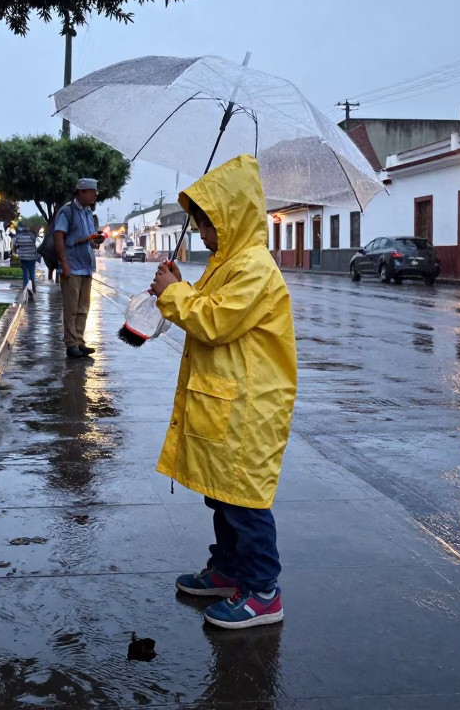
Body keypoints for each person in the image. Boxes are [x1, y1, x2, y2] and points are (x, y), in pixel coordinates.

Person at [148, 154, 297, 629]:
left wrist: (174, 293)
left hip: (250, 406)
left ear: (231, 218)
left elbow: (214, 320)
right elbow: (208, 304)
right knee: (222, 494)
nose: (204, 233)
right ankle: (229, 570)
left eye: (208, 224)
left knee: (245, 500)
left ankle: (263, 591)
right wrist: (182, 285)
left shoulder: (253, 267)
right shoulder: (228, 263)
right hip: (227, 401)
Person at [53, 178, 104, 359]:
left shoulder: (88, 212)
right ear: (80, 192)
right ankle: (71, 344)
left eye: (95, 192)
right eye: (91, 192)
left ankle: (80, 341)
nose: (94, 195)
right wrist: (64, 262)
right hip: (72, 267)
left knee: (83, 307)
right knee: (71, 308)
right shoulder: (67, 211)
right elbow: (59, 236)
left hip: (86, 267)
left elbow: (88, 238)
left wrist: (96, 240)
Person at [14, 223, 41, 299]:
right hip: (32, 257)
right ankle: (32, 288)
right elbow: (36, 245)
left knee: (25, 273)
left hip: (23, 257)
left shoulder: (18, 236)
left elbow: (15, 245)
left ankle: (25, 289)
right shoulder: (32, 236)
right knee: (32, 273)